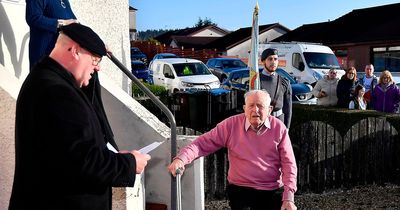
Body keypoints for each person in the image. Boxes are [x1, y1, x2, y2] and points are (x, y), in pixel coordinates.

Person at [9, 23, 151, 210]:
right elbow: (82, 162)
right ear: (75, 51)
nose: (97, 68)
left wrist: (111, 157)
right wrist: (129, 164)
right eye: (95, 59)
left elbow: (69, 151)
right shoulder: (57, 92)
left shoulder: (47, 81)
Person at [168, 90, 297, 210]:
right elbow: (202, 143)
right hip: (241, 189)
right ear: (244, 108)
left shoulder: (279, 128)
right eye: (251, 105)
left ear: (269, 110)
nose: (255, 110)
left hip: (271, 190)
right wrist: (181, 159)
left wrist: (289, 198)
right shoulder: (231, 125)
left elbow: (289, 164)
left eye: (260, 106)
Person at [26, 0, 78, 69]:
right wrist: (62, 23)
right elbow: (33, 18)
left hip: (61, 54)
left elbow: (70, 18)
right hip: (44, 54)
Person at [259, 48, 292, 128]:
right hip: (261, 122)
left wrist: (286, 127)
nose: (273, 62)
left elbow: (288, 108)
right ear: (263, 61)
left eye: (275, 59)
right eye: (270, 59)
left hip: (279, 122)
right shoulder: (256, 81)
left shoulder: (284, 81)